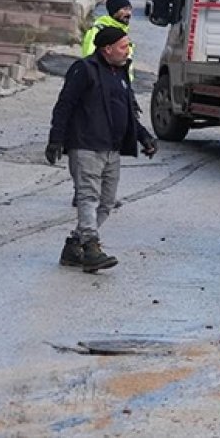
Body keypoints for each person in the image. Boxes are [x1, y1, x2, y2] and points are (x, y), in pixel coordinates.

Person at [47, 26, 157, 272]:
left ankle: (74, 246)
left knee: (106, 203)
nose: (127, 50)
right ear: (107, 49)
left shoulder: (120, 73)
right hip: (85, 145)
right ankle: (91, 247)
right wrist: (56, 139)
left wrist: (144, 137)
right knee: (88, 196)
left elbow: (129, 112)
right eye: (123, 46)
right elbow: (64, 105)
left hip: (112, 149)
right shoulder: (84, 70)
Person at [81, 0, 136, 77]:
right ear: (114, 11)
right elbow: (89, 58)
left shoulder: (123, 32)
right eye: (124, 9)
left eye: (129, 9)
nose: (128, 13)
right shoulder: (98, 31)